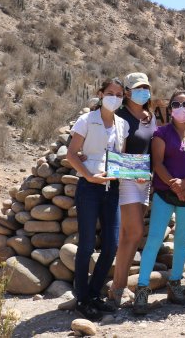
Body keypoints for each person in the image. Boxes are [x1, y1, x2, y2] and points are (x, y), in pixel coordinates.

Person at [133, 89, 185, 314]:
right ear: (170, 109)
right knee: (154, 239)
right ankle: (142, 289)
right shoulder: (161, 133)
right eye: (176, 104)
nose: (181, 108)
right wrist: (176, 185)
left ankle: (175, 285)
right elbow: (158, 163)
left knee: (182, 240)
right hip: (165, 193)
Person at [66, 78, 130, 321]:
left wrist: (134, 174)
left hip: (112, 188)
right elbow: (72, 154)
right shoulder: (86, 120)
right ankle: (82, 298)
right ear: (101, 94)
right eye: (110, 93)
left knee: (112, 244)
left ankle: (94, 294)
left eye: (119, 94)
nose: (114, 97)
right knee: (86, 245)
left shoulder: (122, 124)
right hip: (89, 188)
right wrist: (90, 176)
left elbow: (120, 157)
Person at [108, 72, 157, 307]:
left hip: (145, 181)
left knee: (129, 235)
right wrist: (133, 174)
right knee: (135, 233)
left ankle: (120, 286)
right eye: (137, 88)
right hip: (128, 182)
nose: (143, 92)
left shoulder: (150, 117)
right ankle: (118, 287)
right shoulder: (120, 117)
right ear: (126, 92)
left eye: (145, 87)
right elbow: (116, 154)